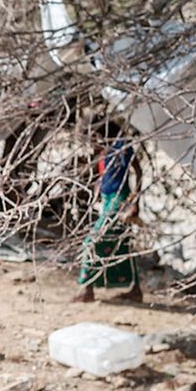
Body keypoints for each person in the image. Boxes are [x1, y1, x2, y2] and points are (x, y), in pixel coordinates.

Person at [73, 121, 143, 303]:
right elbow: (104, 175)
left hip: (119, 199)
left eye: (96, 135)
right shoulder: (104, 149)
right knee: (122, 244)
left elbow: (138, 170)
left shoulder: (122, 146)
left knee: (92, 240)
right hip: (107, 200)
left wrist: (135, 201)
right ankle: (135, 289)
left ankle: (87, 289)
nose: (94, 139)